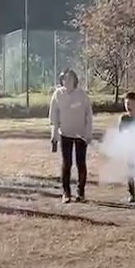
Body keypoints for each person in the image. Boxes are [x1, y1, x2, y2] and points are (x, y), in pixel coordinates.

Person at [48, 69, 93, 203]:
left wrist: (88, 132)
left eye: (70, 79)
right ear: (61, 80)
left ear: (75, 80)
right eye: (64, 79)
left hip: (81, 134)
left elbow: (88, 115)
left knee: (81, 163)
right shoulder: (57, 95)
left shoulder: (82, 95)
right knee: (67, 163)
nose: (67, 82)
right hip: (65, 134)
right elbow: (53, 116)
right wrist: (54, 134)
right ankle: (66, 193)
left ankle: (81, 192)